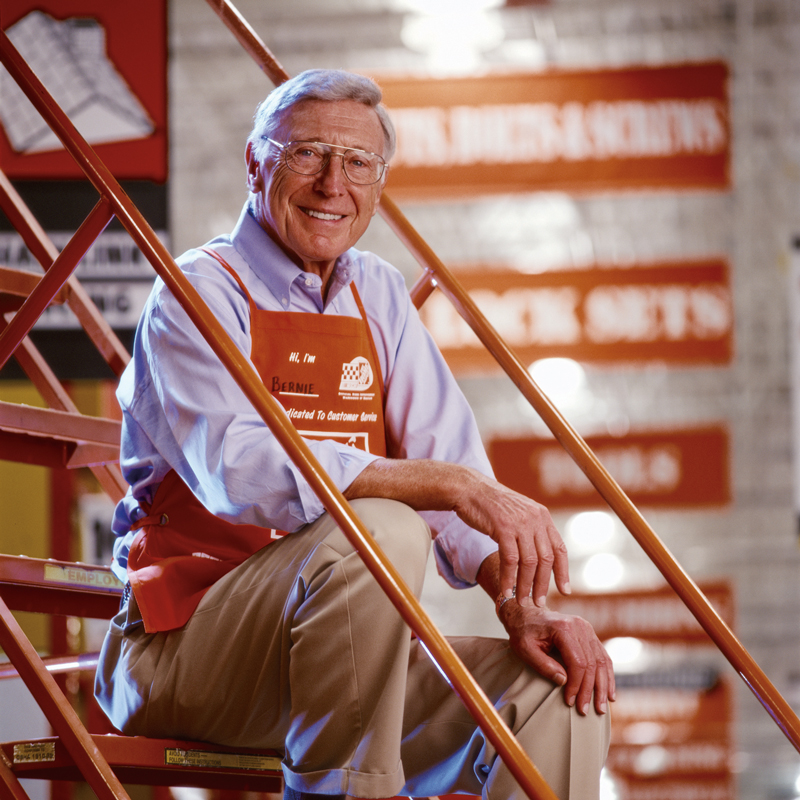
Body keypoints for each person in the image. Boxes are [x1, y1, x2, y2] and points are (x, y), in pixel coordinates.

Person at [95, 68, 613, 800]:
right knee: (378, 527)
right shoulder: (197, 292)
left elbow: (447, 464)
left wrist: (522, 606)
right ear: (255, 162)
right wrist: (449, 486)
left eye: (360, 163)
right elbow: (237, 469)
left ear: (379, 181)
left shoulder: (377, 294)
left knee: (559, 694)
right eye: (307, 153)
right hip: (186, 649)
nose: (333, 183)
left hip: (341, 663)